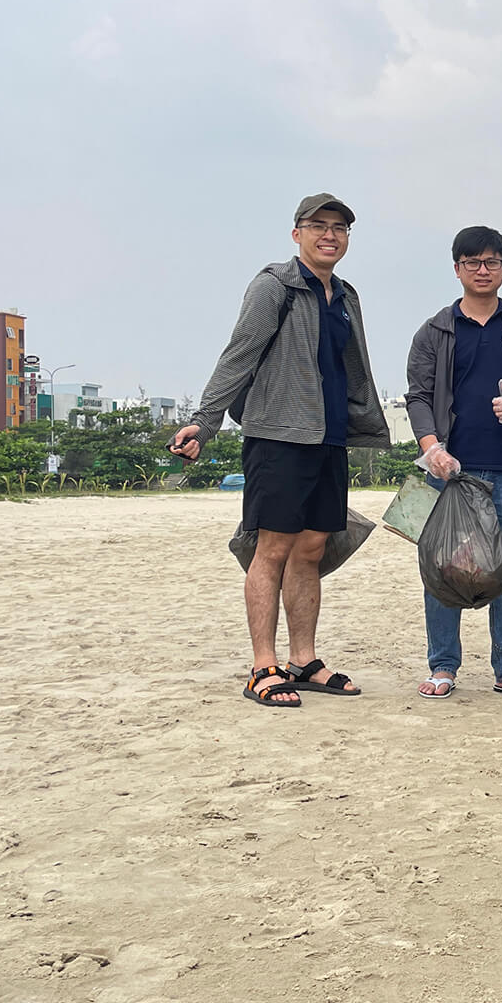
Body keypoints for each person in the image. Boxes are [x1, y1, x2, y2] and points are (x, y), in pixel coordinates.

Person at [171, 193, 390, 709]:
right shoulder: (275, 286)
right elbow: (239, 356)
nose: (330, 235)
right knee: (271, 548)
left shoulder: (346, 295)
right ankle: (262, 666)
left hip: (329, 437)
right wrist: (204, 422)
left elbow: (351, 368)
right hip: (278, 436)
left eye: (339, 228)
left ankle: (304, 660)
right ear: (297, 234)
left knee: (311, 549)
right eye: (318, 226)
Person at [405, 225, 502, 702]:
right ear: (457, 269)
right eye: (471, 262)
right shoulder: (434, 330)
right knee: (440, 568)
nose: (482, 270)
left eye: (491, 262)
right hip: (447, 471)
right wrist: (432, 447)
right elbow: (418, 396)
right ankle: (443, 666)